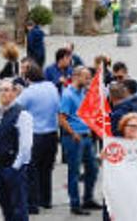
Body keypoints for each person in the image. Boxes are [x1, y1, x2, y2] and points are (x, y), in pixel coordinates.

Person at [17, 62, 60, 214]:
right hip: (52, 133)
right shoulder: (52, 87)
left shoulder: (29, 92)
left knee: (32, 170)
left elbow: (16, 108)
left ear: (28, 79)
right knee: (46, 169)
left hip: (35, 135)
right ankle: (46, 200)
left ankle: (32, 204)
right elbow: (57, 107)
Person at [59, 66, 102, 214]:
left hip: (87, 137)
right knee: (74, 172)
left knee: (93, 169)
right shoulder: (68, 95)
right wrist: (73, 133)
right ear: (76, 76)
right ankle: (75, 204)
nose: (89, 80)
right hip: (74, 139)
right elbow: (62, 118)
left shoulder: (83, 93)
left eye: (89, 77)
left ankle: (88, 198)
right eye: (86, 77)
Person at [0, 78, 34, 221]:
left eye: (7, 90)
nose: (3, 93)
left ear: (15, 93)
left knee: (18, 209)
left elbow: (26, 146)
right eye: (1, 90)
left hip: (12, 168)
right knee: (6, 207)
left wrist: (15, 168)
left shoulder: (22, 114)